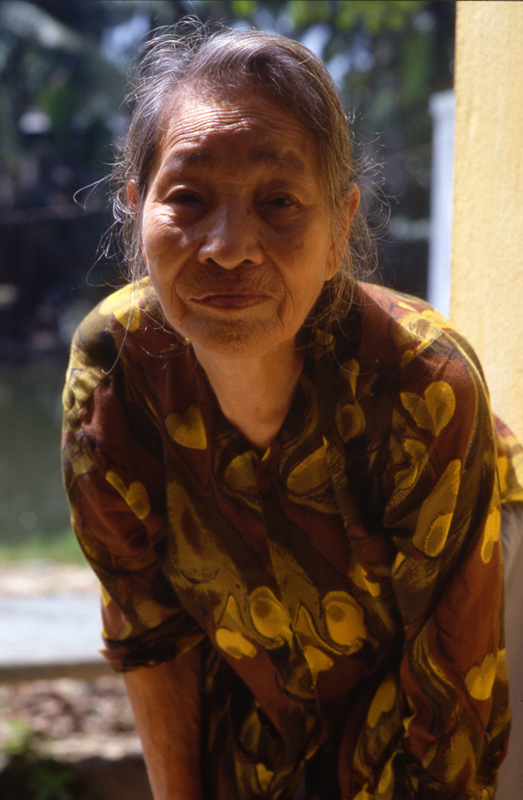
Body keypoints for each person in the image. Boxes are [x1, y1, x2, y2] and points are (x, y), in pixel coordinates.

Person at [61, 22, 523, 800]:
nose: (227, 246)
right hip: (263, 656)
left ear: (339, 227)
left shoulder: (424, 385)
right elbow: (150, 633)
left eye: (278, 202)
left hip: (480, 624)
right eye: (187, 198)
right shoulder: (112, 371)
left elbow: (451, 702)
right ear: (137, 210)